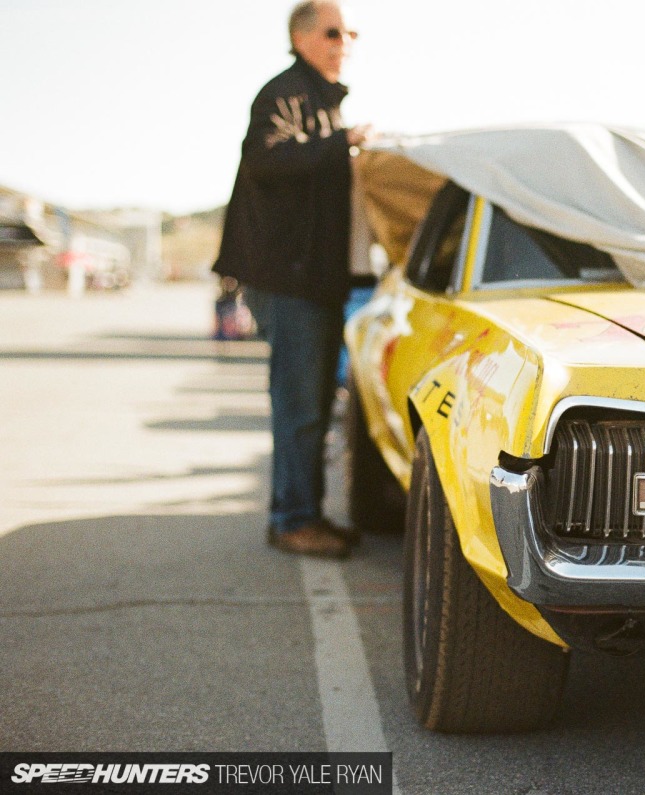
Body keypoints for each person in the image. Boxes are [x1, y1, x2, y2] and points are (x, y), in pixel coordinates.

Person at [213, 0, 372, 559]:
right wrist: (341, 143)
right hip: (290, 280)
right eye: (332, 32)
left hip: (319, 280)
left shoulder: (323, 103)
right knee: (300, 406)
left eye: (350, 33)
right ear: (301, 38)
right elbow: (265, 159)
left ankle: (305, 515)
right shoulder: (284, 94)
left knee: (314, 405)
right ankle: (293, 521)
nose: (343, 42)